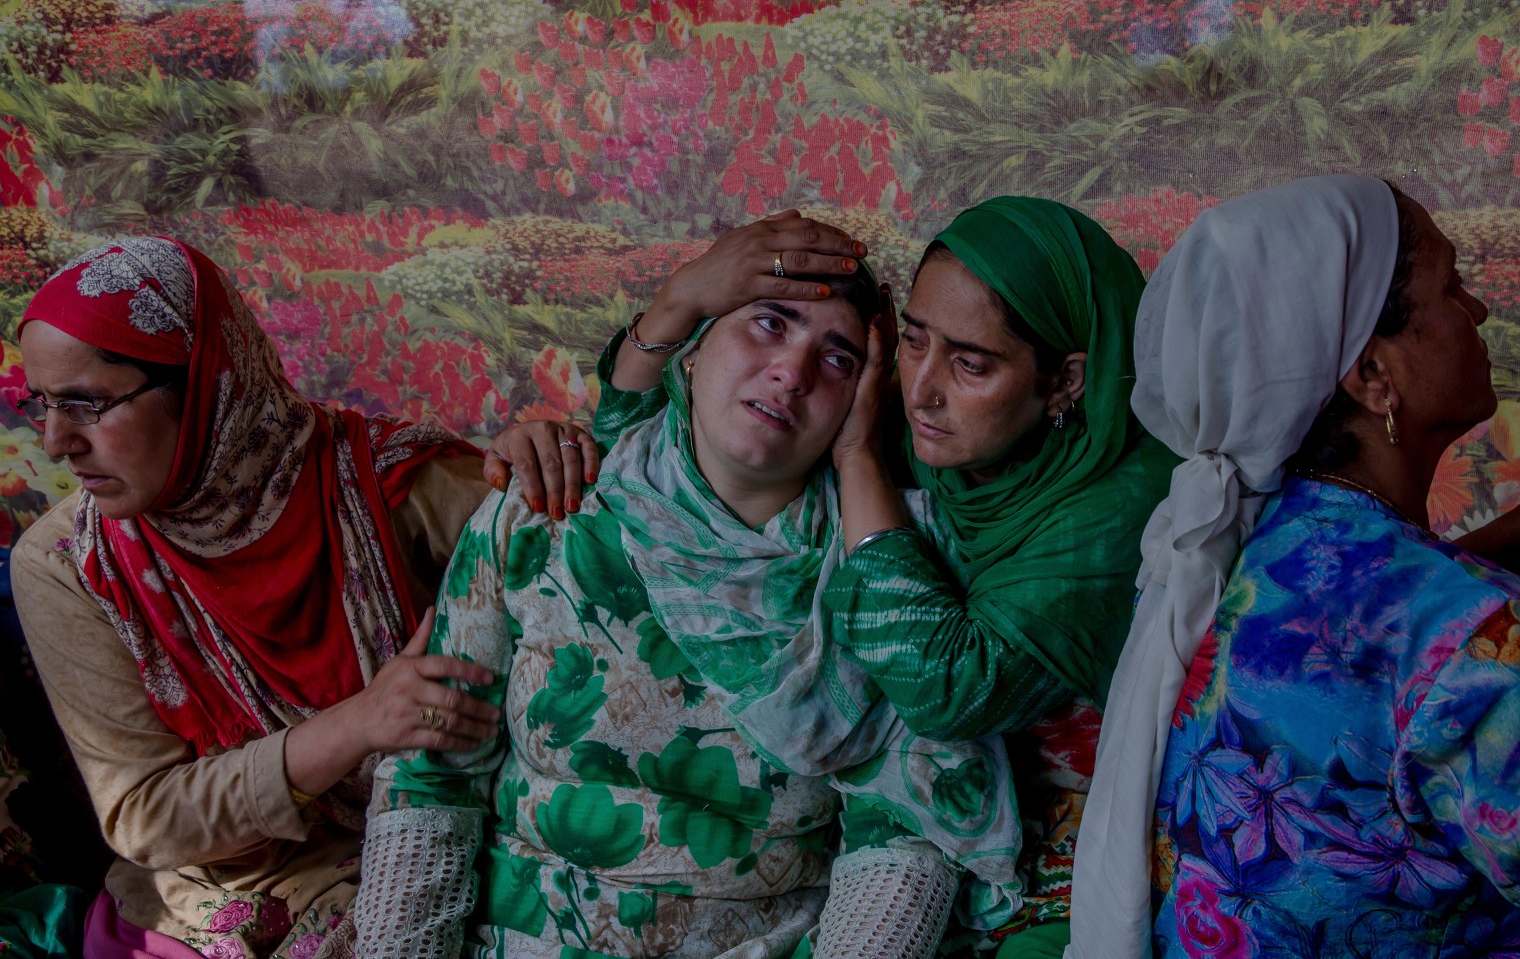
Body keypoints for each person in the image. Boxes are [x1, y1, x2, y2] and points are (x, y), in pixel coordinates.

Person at [499, 199, 1175, 955]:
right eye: (913, 342)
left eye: (971, 363)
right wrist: (684, 299)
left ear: (1065, 382)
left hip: (1058, 848)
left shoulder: (1115, 512)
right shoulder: (924, 420)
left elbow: (940, 685)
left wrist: (858, 458)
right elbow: (662, 441)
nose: (922, 388)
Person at [352, 246, 1023, 958]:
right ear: (694, 355)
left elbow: (904, 841)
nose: (790, 373)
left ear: (861, 410)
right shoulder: (546, 509)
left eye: (837, 361)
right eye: (769, 324)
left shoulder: (879, 571)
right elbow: (431, 778)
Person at [1067, 174, 1520, 957]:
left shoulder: (1241, 548)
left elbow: (1381, 641)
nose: (1476, 311)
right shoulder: (1470, 640)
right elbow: (1437, 650)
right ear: (1372, 375)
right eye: (1451, 287)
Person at [10, 236, 499, 958]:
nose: (55, 443)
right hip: (233, 885)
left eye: (86, 403)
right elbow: (147, 814)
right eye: (42, 404)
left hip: (444, 830)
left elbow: (578, 553)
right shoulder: (69, 567)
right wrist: (357, 725)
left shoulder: (387, 484)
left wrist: (547, 461)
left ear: (205, 381)